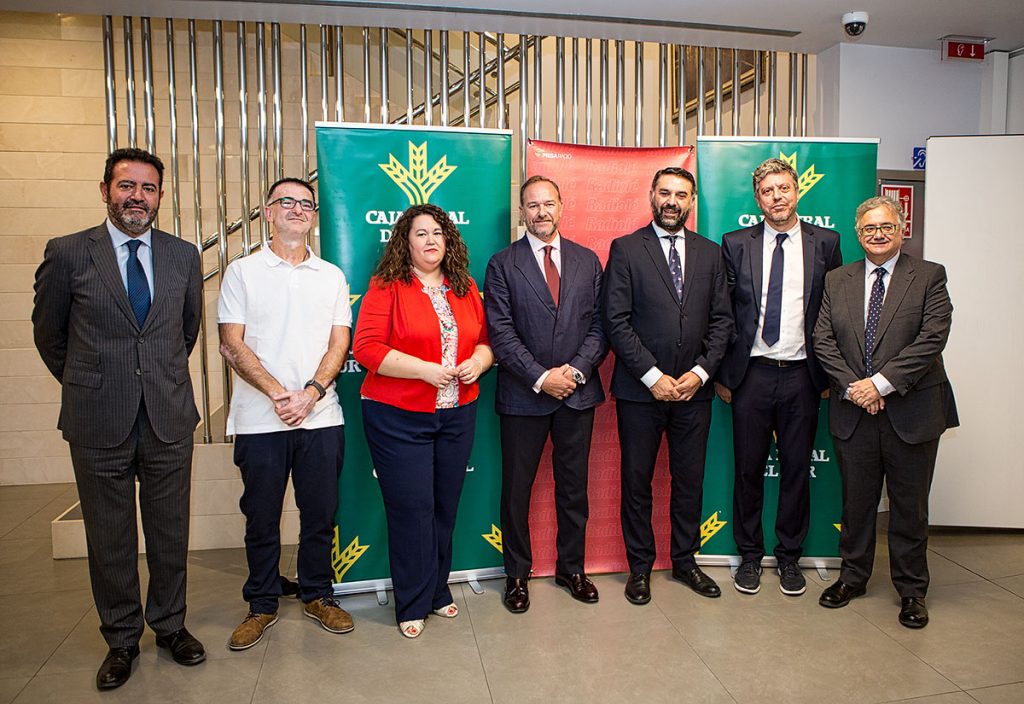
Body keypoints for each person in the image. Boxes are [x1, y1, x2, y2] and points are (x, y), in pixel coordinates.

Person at [32, 148, 205, 689]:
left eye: (148, 188)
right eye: (127, 185)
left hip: (167, 416)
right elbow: (49, 335)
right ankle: (122, 638)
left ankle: (170, 625)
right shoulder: (67, 253)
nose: (137, 197)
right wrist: (92, 382)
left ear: (160, 196)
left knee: (170, 530)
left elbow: (186, 331)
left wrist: (152, 378)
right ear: (105, 190)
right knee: (109, 536)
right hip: (97, 417)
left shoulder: (183, 255)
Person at [218, 177, 354, 650]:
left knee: (320, 515)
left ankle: (318, 594)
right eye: (287, 201)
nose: (297, 208)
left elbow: (339, 342)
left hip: (322, 416)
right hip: (260, 420)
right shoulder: (242, 272)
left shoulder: (331, 276)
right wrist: (280, 394)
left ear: (313, 216)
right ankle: (261, 603)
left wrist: (311, 393)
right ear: (269, 212)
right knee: (261, 517)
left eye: (306, 203)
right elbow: (231, 343)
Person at [813, 195, 957, 629]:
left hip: (912, 412)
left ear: (901, 230)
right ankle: (852, 578)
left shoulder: (929, 276)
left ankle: (912, 590)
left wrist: (879, 384)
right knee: (856, 503)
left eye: (886, 227)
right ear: (859, 235)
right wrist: (856, 389)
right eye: (869, 228)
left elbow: (932, 338)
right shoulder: (837, 279)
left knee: (909, 507)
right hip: (854, 411)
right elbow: (823, 340)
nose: (877, 234)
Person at [352, 203, 493, 638]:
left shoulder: (464, 287)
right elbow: (367, 349)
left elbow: (486, 341)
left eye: (438, 232)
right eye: (421, 233)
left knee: (445, 507)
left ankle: (436, 591)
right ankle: (412, 603)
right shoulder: (387, 287)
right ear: (405, 242)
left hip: (457, 413)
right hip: (397, 416)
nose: (431, 240)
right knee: (412, 510)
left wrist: (478, 362)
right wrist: (423, 371)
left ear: (448, 240)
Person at [603, 167, 732, 605]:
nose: (672, 201)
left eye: (681, 194)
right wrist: (653, 376)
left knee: (689, 481)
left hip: (695, 392)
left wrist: (700, 373)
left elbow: (722, 321)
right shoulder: (625, 249)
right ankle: (639, 567)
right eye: (665, 193)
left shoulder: (711, 253)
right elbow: (615, 321)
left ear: (692, 201)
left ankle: (685, 561)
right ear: (652, 196)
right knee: (637, 482)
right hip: (641, 392)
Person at [716, 157, 843, 597]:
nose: (777, 197)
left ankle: (790, 558)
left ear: (797, 191)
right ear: (758, 199)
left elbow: (835, 313)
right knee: (748, 471)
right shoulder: (735, 243)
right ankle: (750, 556)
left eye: (783, 188)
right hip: (750, 374)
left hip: (803, 377)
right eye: (767, 191)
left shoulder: (826, 243)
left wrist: (828, 375)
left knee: (795, 471)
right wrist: (724, 375)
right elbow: (723, 313)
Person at [484, 176, 608, 614]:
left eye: (548, 203)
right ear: (522, 212)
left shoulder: (588, 260)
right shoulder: (502, 264)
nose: (541, 212)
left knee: (574, 489)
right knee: (517, 491)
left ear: (561, 206)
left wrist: (573, 372)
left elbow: (601, 325)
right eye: (532, 205)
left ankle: (572, 569)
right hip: (524, 396)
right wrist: (540, 377)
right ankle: (517, 575)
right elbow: (500, 332)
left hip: (577, 393)